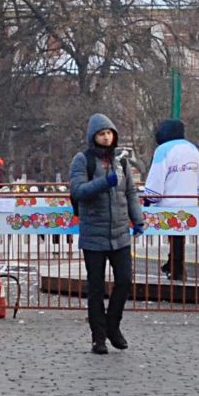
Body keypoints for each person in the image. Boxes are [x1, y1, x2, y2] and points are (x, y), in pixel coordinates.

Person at [66, 113, 144, 354]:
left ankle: (113, 326)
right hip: (94, 234)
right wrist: (104, 182)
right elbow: (78, 191)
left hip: (119, 232)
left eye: (109, 133)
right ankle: (98, 337)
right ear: (93, 137)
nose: (106, 137)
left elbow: (130, 192)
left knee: (124, 281)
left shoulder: (121, 161)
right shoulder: (83, 160)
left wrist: (137, 219)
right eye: (102, 133)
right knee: (96, 288)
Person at [142, 116, 199, 282]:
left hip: (169, 202)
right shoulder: (193, 149)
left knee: (173, 234)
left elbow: (157, 176)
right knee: (179, 236)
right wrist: (197, 193)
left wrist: (150, 199)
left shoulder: (163, 150)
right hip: (189, 201)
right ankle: (175, 264)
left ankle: (175, 266)